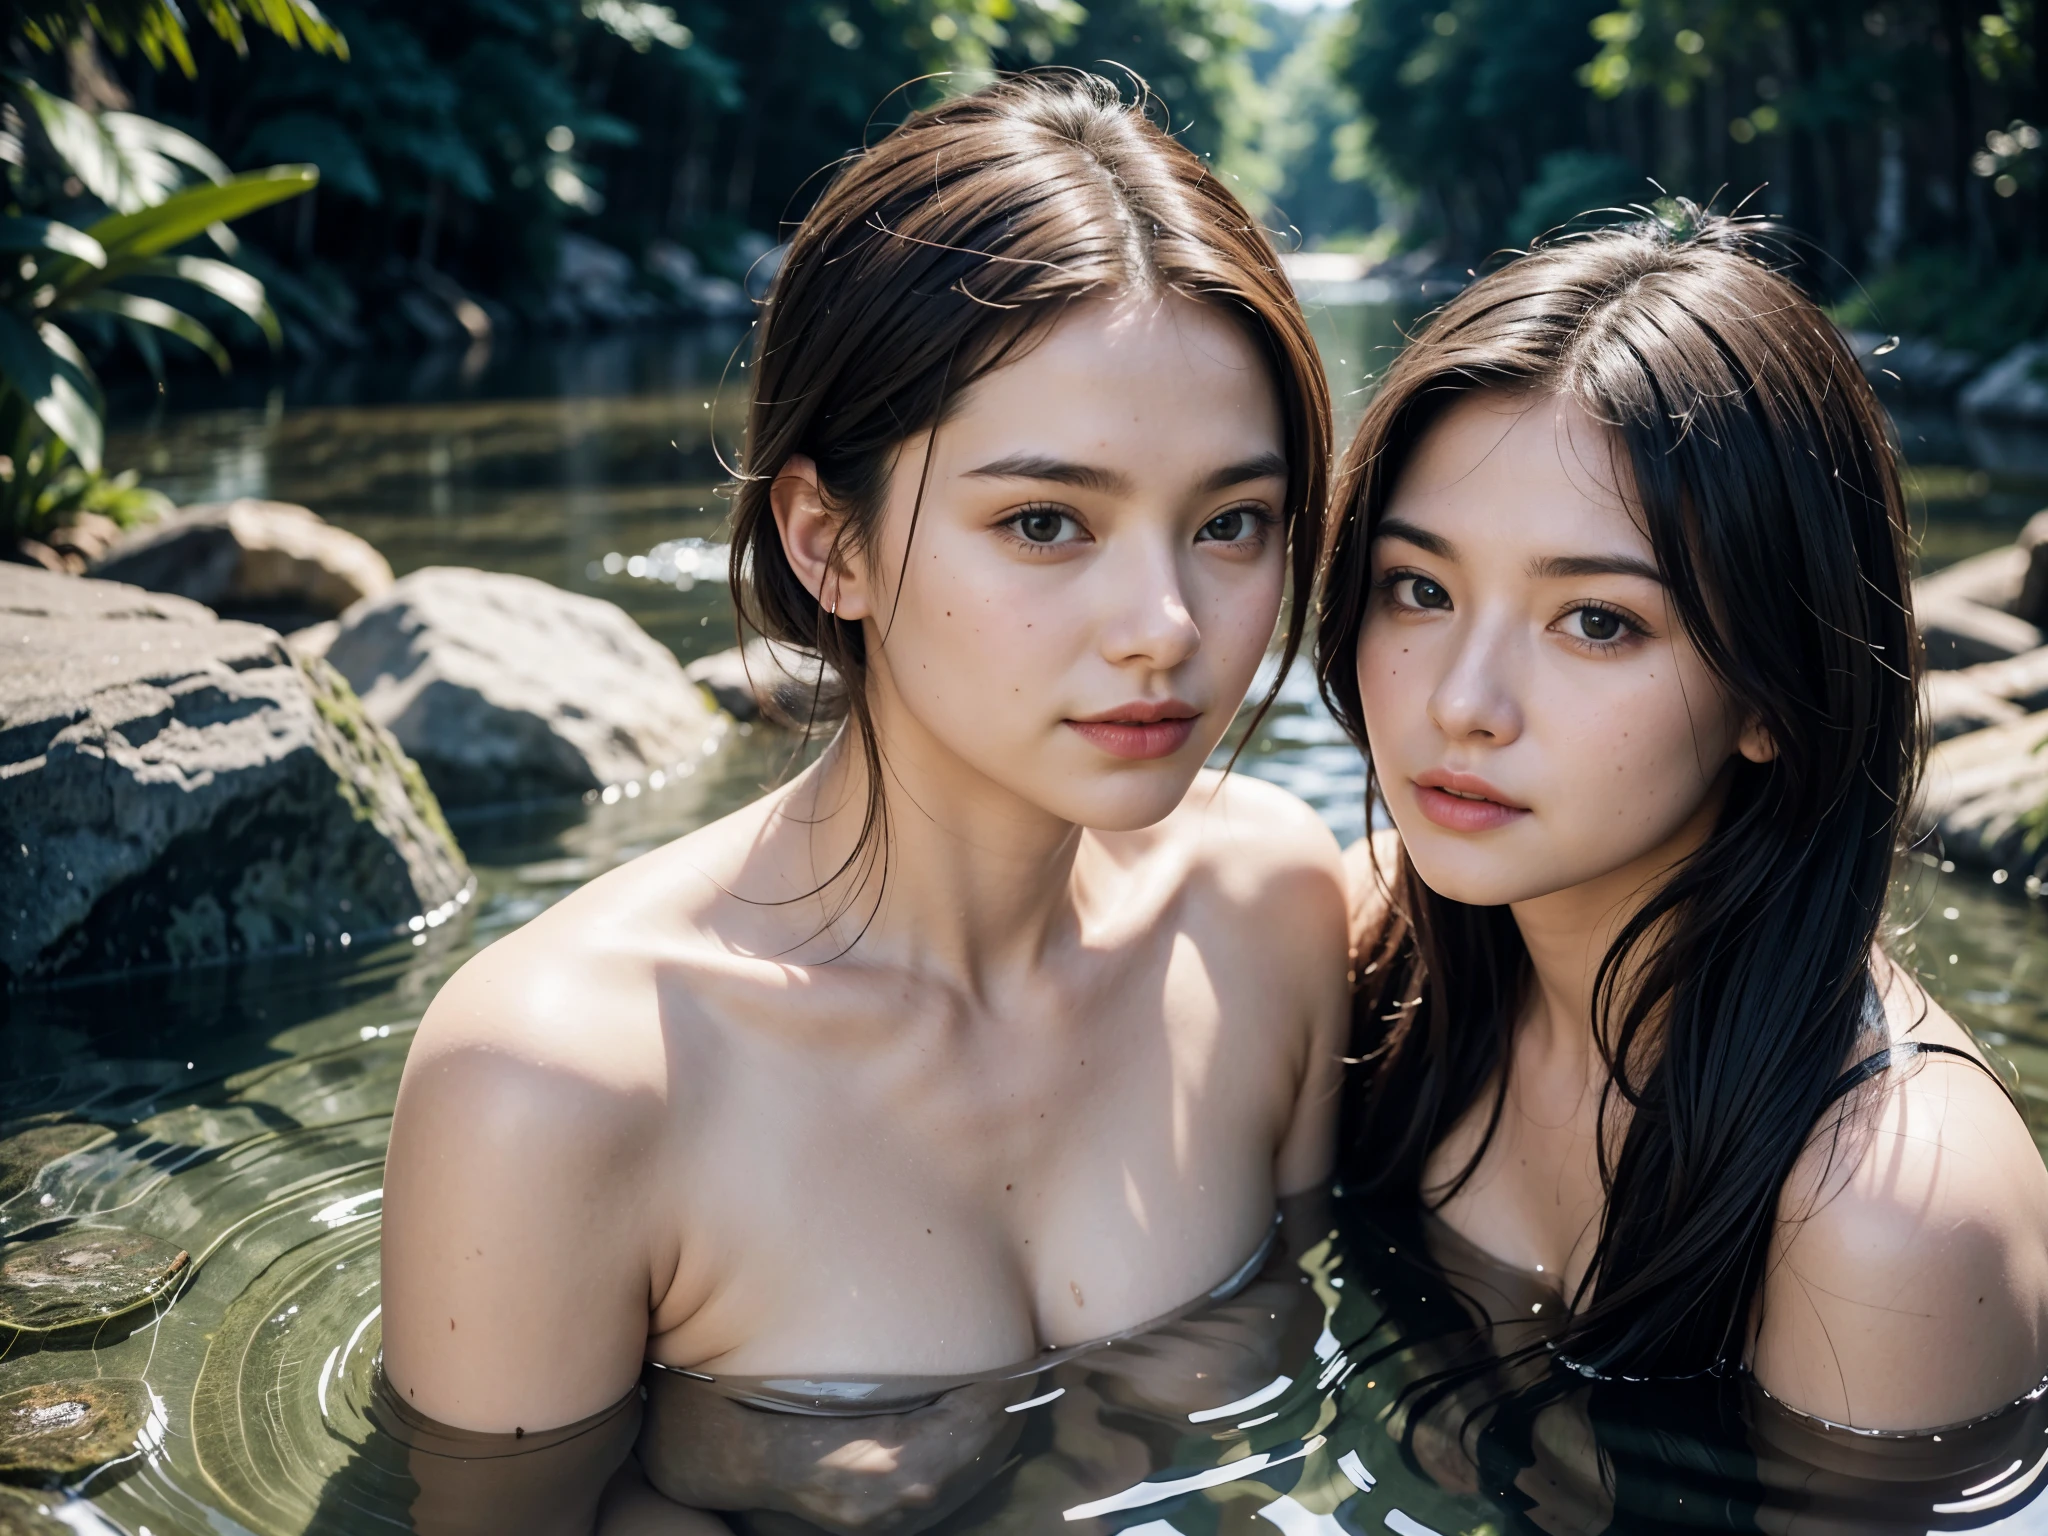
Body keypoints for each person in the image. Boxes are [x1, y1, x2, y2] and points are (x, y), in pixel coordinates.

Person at [378, 70, 1351, 1531]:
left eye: (1231, 523)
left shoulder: (1266, 909)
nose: (1164, 622)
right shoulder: (557, 1085)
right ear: (831, 542)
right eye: (1044, 523)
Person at [1315, 209, 2048, 1433]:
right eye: (1419, 589)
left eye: (1595, 621)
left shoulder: (1881, 1217)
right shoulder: (1380, 945)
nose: (1460, 703)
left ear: (1771, 691)